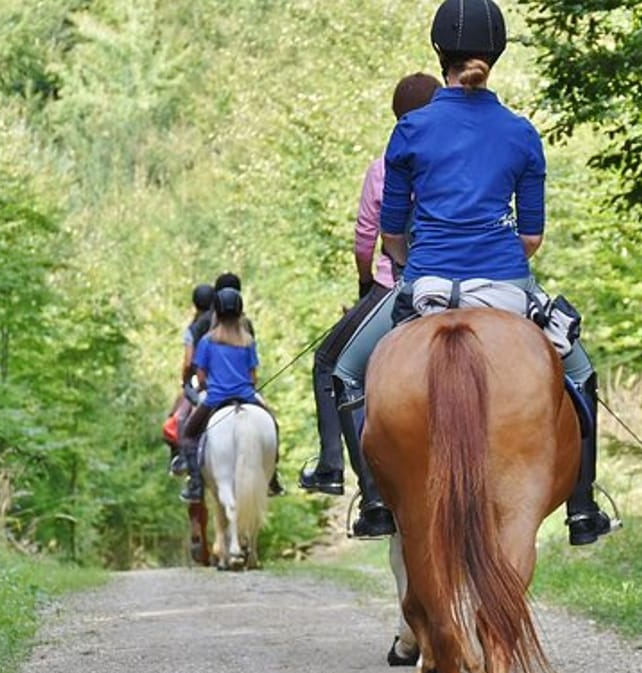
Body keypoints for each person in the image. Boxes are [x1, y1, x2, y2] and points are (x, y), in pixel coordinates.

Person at [332, 0, 615, 545]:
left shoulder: (411, 128)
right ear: (496, 56)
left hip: (428, 284)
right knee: (580, 377)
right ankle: (583, 509)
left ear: (440, 52)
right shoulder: (521, 132)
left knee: (346, 372)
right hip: (506, 285)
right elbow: (531, 238)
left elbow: (392, 231)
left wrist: (417, 264)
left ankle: (374, 502)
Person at [299, 73, 442, 538]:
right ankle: (580, 499)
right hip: (476, 279)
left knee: (332, 365)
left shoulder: (386, 166)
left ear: (398, 117)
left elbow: (369, 239)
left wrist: (367, 281)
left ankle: (350, 480)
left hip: (400, 284)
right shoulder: (456, 158)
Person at [179, 287, 278, 502]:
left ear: (217, 312)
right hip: (247, 396)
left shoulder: (206, 341)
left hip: (215, 398)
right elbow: (253, 377)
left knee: (187, 435)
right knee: (273, 425)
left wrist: (211, 386)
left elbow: (201, 376)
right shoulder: (248, 341)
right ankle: (273, 478)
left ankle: (195, 484)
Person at [165, 283, 216, 475]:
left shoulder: (194, 329)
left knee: (178, 419)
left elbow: (188, 363)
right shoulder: (226, 324)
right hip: (235, 380)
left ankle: (181, 458)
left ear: (195, 304)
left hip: (201, 379)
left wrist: (186, 382)